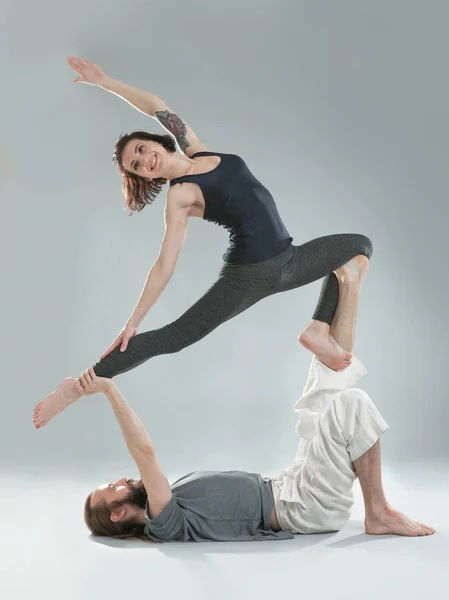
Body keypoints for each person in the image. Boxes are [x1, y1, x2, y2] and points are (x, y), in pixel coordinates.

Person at [33, 56, 373, 428]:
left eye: (141, 150)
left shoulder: (197, 148)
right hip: (250, 273)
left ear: (154, 140)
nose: (144, 160)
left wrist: (104, 81)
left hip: (289, 260)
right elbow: (165, 264)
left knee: (357, 247)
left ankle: (317, 330)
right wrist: (132, 322)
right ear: (143, 176)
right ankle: (78, 386)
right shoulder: (180, 197)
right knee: (175, 337)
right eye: (136, 165)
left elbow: (156, 105)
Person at [81, 256, 434, 541]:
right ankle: (378, 512)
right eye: (112, 489)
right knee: (350, 404)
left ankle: (345, 282)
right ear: (117, 513)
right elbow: (144, 452)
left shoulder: (169, 502)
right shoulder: (164, 520)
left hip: (289, 485)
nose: (120, 481)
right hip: (303, 507)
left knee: (324, 386)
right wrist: (110, 388)